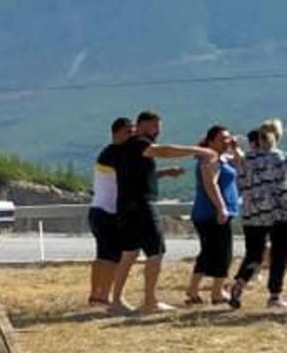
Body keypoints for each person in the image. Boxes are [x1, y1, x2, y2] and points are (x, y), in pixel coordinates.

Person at [110, 111, 215, 316]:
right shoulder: (139, 142)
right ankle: (150, 301)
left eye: (159, 127)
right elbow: (164, 151)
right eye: (154, 126)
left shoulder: (127, 147)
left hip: (126, 206)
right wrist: (199, 150)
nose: (158, 131)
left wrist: (166, 173)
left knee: (129, 254)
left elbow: (138, 174)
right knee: (155, 253)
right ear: (141, 126)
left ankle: (116, 300)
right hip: (141, 206)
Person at [230, 121, 287, 310]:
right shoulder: (279, 158)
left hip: (251, 212)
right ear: (277, 136)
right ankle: (274, 295)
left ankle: (239, 284)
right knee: (279, 254)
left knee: (254, 253)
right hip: (277, 213)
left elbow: (241, 184)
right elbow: (282, 188)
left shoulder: (246, 158)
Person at [184, 127, 240, 305]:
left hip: (212, 213)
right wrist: (221, 208)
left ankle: (193, 290)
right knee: (223, 253)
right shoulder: (211, 158)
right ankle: (217, 292)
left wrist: (235, 147)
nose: (226, 141)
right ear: (211, 141)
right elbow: (211, 184)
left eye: (228, 138)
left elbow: (241, 161)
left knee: (208, 252)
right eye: (222, 138)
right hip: (211, 214)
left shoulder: (221, 158)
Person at [87, 117, 132, 305]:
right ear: (117, 132)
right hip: (108, 212)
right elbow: (131, 178)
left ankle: (96, 294)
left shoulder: (107, 153)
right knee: (112, 258)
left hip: (98, 210)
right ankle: (104, 295)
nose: (132, 136)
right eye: (128, 132)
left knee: (102, 256)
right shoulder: (116, 154)